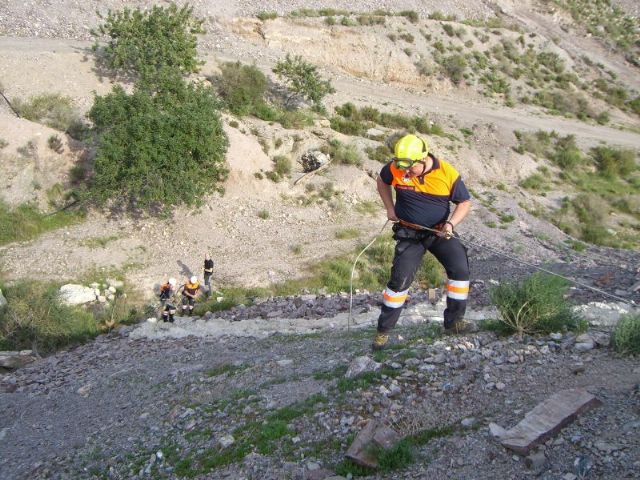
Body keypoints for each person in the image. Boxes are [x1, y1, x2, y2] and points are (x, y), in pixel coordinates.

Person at [372, 134, 472, 350]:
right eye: (402, 168)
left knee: (460, 270)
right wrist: (390, 208)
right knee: (399, 281)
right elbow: (382, 181)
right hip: (409, 233)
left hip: (438, 233)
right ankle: (383, 332)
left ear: (423, 159)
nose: (406, 173)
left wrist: (451, 225)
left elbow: (464, 202)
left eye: (410, 168)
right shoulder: (396, 167)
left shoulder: (447, 173)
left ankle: (454, 323)